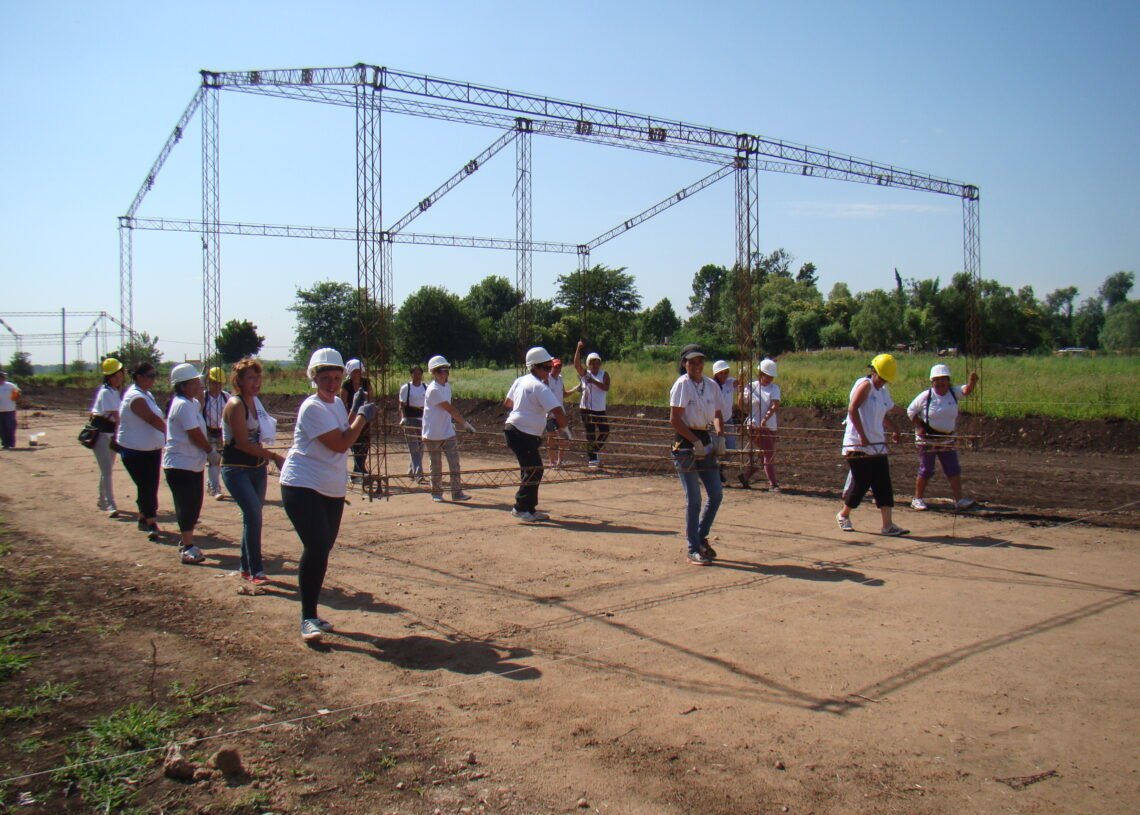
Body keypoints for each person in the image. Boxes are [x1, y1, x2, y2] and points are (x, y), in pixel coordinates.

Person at [280, 348, 376, 642]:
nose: (332, 383)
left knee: (323, 548)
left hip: (330, 487)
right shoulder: (312, 407)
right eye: (326, 378)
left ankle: (313, 615)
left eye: (336, 377)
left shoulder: (334, 403)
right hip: (303, 484)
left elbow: (343, 427)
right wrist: (361, 416)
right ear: (315, 378)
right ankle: (307, 618)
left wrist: (353, 412)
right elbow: (341, 442)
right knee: (317, 546)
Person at [222, 357, 286, 586]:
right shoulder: (236, 405)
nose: (256, 382)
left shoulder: (254, 403)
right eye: (250, 377)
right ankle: (255, 570)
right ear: (239, 380)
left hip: (256, 467)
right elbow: (241, 443)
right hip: (237, 468)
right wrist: (274, 456)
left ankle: (245, 566)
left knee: (253, 517)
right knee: (253, 515)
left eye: (258, 377)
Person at [836, 354, 909, 536]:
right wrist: (862, 435)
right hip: (857, 445)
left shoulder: (883, 391)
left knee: (883, 482)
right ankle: (843, 515)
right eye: (882, 377)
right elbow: (852, 409)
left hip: (877, 445)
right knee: (862, 481)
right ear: (874, 371)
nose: (883, 381)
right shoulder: (865, 385)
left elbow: (884, 414)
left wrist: (895, 429)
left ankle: (888, 525)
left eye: (886, 379)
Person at [669, 346, 724, 565]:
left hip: (706, 440)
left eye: (700, 362)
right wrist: (694, 441)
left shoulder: (711, 385)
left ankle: (701, 536)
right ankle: (693, 547)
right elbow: (675, 419)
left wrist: (719, 435)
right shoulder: (682, 384)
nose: (697, 366)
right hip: (685, 443)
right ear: (684, 364)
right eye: (692, 362)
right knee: (694, 498)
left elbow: (718, 413)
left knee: (716, 494)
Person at [504, 347, 571, 522]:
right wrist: (565, 430)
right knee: (535, 470)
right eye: (547, 368)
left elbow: (508, 402)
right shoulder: (540, 387)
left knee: (531, 469)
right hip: (522, 433)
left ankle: (529, 509)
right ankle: (520, 508)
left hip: (516, 430)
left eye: (550, 368)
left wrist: (526, 408)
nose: (549, 372)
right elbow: (558, 410)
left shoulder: (521, 381)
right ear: (536, 367)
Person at [907, 364, 979, 511]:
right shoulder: (925, 396)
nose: (940, 383)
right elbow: (911, 411)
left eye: (943, 380)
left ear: (948, 381)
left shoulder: (953, 393)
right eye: (936, 380)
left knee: (952, 468)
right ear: (932, 382)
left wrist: (972, 382)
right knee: (926, 469)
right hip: (928, 439)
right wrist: (920, 426)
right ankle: (917, 499)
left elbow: (966, 390)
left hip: (947, 439)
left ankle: (959, 500)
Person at [163, 363, 215, 565]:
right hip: (180, 464)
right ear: (183, 385)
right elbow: (194, 434)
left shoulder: (191, 403)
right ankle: (187, 547)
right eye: (194, 383)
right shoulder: (183, 405)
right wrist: (210, 451)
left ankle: (188, 542)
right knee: (187, 505)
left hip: (192, 464)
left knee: (194, 504)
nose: (198, 386)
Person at [116, 362, 166, 541]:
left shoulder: (147, 394)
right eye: (149, 376)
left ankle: (143, 517)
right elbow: (151, 419)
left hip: (151, 449)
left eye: (154, 375)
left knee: (148, 485)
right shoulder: (135, 398)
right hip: (135, 451)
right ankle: (151, 521)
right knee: (147, 485)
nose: (153, 379)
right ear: (139, 377)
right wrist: (170, 434)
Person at [421, 355, 476, 503]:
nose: (443, 373)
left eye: (445, 370)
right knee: (436, 465)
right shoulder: (433, 390)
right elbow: (450, 409)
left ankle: (457, 492)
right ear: (433, 373)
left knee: (454, 463)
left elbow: (448, 411)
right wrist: (465, 424)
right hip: (432, 433)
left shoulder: (447, 387)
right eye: (440, 371)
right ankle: (436, 493)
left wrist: (454, 424)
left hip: (447, 431)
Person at [739, 358, 781, 492]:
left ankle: (745, 476)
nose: (769, 379)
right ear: (760, 374)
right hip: (754, 425)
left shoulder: (774, 388)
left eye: (771, 376)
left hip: (770, 426)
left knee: (764, 455)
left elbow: (775, 405)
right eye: (767, 375)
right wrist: (740, 388)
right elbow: (741, 405)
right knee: (769, 453)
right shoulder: (751, 387)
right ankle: (773, 483)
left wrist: (766, 418)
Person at [90, 358, 124, 518]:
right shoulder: (106, 392)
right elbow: (117, 416)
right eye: (115, 376)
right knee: (107, 470)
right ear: (108, 377)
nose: (118, 379)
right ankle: (110, 504)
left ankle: (101, 498)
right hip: (102, 434)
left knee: (107, 469)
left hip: (110, 434)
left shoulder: (114, 392)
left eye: (119, 375)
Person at [572, 340, 610, 468]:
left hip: (599, 408)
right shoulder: (585, 374)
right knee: (590, 433)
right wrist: (578, 348)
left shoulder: (604, 374)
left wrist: (593, 381)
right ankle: (592, 458)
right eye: (592, 363)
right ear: (588, 364)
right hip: (586, 408)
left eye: (597, 363)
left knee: (605, 431)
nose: (595, 365)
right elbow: (576, 364)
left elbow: (606, 387)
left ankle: (593, 450)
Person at [202, 366, 230, 500]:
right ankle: (214, 486)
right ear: (209, 382)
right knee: (213, 459)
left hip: (221, 432)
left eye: (220, 383)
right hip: (207, 431)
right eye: (214, 382)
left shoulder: (226, 397)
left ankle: (214, 486)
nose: (217, 385)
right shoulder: (203, 397)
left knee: (218, 461)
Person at [340, 359, 371, 483]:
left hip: (364, 418)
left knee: (365, 445)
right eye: (354, 371)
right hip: (352, 417)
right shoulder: (346, 385)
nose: (357, 373)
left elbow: (370, 398)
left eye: (359, 371)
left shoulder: (366, 382)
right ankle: (361, 472)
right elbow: (343, 403)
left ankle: (357, 471)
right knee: (355, 444)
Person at [398, 365, 428, 483]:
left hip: (422, 419)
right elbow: (402, 405)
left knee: (421, 447)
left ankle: (412, 470)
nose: (417, 376)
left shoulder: (426, 387)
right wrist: (403, 417)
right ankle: (419, 474)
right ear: (411, 375)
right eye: (415, 373)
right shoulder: (406, 388)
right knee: (414, 447)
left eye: (419, 373)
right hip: (410, 419)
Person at [711, 360, 738, 484]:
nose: (724, 375)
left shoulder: (729, 383)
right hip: (714, 421)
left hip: (727, 419)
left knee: (731, 448)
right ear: (716, 374)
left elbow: (741, 383)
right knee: (717, 448)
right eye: (721, 373)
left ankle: (719, 469)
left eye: (726, 372)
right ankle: (713, 472)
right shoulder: (711, 385)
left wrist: (743, 374)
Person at [544, 358, 568, 467]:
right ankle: (551, 461)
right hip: (550, 413)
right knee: (551, 437)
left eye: (559, 366)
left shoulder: (560, 379)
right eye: (556, 366)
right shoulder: (547, 379)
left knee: (563, 436)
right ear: (551, 367)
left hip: (560, 412)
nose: (558, 368)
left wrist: (576, 389)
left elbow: (564, 394)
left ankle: (560, 461)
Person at [0, 370, 21, 450]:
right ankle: (5, 444)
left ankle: (11, 443)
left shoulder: (9, 385)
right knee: (1, 428)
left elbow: (18, 391)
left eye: (1, 377)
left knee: (10, 426)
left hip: (10, 409)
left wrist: (17, 395)